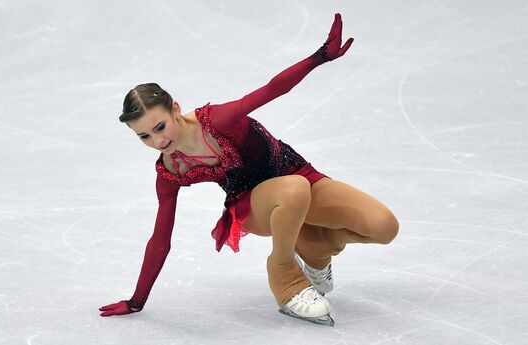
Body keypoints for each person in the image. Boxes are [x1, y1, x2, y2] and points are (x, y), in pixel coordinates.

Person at [99, 13, 399, 326]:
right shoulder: (171, 171)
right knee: (293, 189)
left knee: (383, 226)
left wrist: (319, 57)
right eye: (144, 136)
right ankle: (285, 277)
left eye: (159, 126)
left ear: (175, 109)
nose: (157, 140)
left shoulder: (217, 121)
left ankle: (316, 251)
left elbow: (272, 89)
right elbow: (160, 239)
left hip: (296, 171)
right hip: (252, 204)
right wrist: (136, 301)